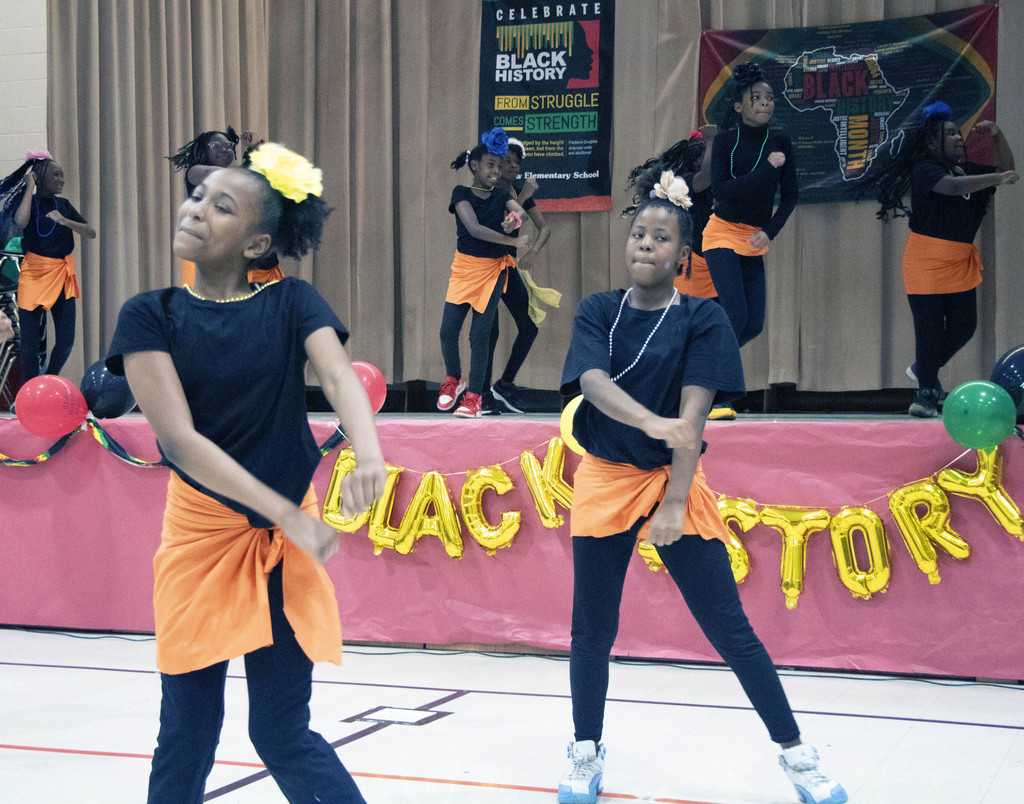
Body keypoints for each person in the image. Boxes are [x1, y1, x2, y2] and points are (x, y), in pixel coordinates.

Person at [105, 143, 388, 802]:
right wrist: (287, 512)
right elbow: (179, 440)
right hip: (203, 543)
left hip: (283, 552)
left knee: (283, 731)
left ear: (258, 240)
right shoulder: (149, 315)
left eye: (221, 205)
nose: (196, 210)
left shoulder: (293, 302)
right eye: (198, 197)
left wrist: (369, 450)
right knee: (188, 731)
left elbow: (341, 375)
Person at [557, 171, 846, 804]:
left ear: (683, 255)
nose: (645, 246)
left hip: (673, 479)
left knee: (730, 630)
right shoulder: (598, 311)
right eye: (638, 234)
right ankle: (585, 748)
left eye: (661, 238)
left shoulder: (704, 318)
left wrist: (676, 503)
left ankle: (798, 755)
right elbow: (592, 384)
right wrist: (648, 421)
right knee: (591, 631)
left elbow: (689, 428)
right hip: (606, 479)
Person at [868, 101, 1017, 417]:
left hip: (959, 260)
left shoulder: (969, 171)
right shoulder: (925, 169)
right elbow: (950, 188)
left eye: (958, 133)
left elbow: (1008, 171)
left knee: (964, 327)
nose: (958, 138)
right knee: (930, 332)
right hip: (926, 260)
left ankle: (922, 368)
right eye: (950, 134)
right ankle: (925, 397)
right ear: (933, 141)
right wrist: (995, 180)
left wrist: (998, 137)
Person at [704, 62, 798, 418]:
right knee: (737, 315)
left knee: (753, 323)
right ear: (740, 106)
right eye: (756, 98)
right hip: (721, 233)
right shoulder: (727, 141)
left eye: (770, 98)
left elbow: (790, 196)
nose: (765, 103)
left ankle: (699, 368)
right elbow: (723, 192)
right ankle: (724, 393)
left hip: (753, 238)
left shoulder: (781, 142)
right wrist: (766, 169)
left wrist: (769, 231)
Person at [625, 125, 735, 420]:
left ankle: (710, 397)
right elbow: (707, 176)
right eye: (707, 157)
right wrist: (713, 140)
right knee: (682, 337)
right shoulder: (687, 182)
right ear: (694, 161)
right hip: (690, 272)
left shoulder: (710, 189)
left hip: (710, 266)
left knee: (714, 334)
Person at [438, 127, 531, 418]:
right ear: (475, 166)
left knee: (480, 336)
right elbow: (474, 229)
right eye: (490, 165)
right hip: (465, 268)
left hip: (493, 271)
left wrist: (513, 220)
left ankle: (475, 398)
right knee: (447, 331)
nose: (496, 170)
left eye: (499, 165)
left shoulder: (502, 193)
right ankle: (454, 379)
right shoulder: (461, 193)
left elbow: (521, 213)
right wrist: (513, 240)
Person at [0, 150, 96, 381]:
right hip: (33, 274)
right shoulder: (30, 204)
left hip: (61, 274)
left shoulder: (64, 205)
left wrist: (66, 221)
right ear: (41, 178)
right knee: (30, 343)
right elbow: (21, 221)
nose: (61, 180)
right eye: (56, 176)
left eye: (62, 176)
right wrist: (29, 187)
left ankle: (48, 379)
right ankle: (29, 390)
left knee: (65, 341)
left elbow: (90, 232)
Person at [484, 137, 557, 414]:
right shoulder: (487, 190)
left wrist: (533, 252)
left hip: (507, 266)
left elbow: (544, 227)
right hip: (485, 268)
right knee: (489, 332)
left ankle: (504, 385)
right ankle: (481, 394)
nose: (512, 166)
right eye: (507, 161)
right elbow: (506, 223)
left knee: (529, 327)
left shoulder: (517, 191)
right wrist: (523, 195)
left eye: (516, 162)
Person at [168, 127, 283, 286]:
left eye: (228, 146)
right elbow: (220, 175)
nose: (224, 150)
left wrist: (256, 145)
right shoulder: (196, 172)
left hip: (258, 266)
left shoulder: (242, 179)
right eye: (216, 146)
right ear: (203, 151)